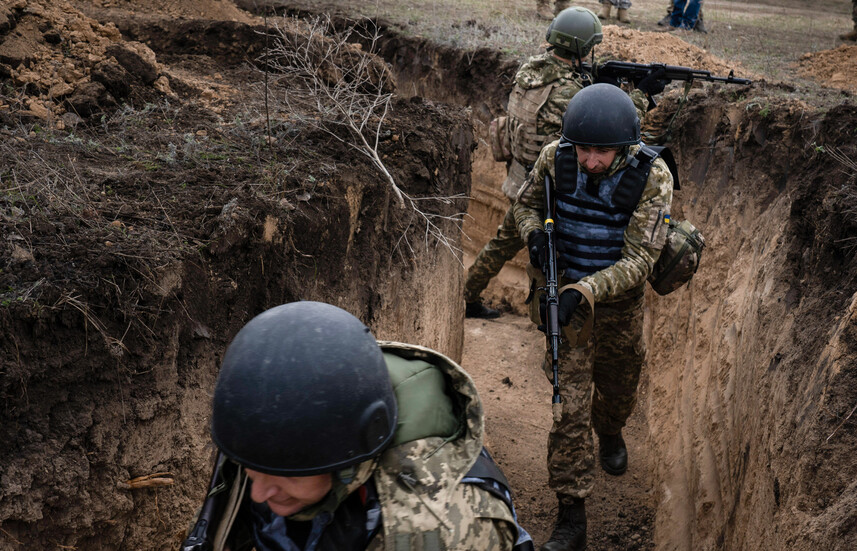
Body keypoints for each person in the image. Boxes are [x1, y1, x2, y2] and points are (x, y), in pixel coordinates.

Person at [184, 301, 533, 551]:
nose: (258, 492)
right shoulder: (278, 432)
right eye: (252, 470)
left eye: (284, 475)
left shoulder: (445, 532)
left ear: (347, 454)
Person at [512, 84, 676, 551]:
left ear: (625, 147)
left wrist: (585, 290)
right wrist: (534, 236)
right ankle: (572, 514)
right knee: (570, 409)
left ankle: (612, 429)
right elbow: (525, 205)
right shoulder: (555, 157)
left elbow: (641, 260)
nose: (590, 162)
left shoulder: (653, 177)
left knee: (620, 389)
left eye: (602, 153)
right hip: (565, 304)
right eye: (583, 149)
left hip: (618, 307)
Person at [466, 7, 653, 319]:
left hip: (520, 174)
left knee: (505, 242)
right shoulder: (570, 91)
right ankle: (530, 307)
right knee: (539, 247)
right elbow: (607, 127)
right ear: (581, 48)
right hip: (546, 183)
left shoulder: (531, 70)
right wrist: (640, 97)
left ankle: (470, 294)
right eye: (590, 48)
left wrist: (593, 79)